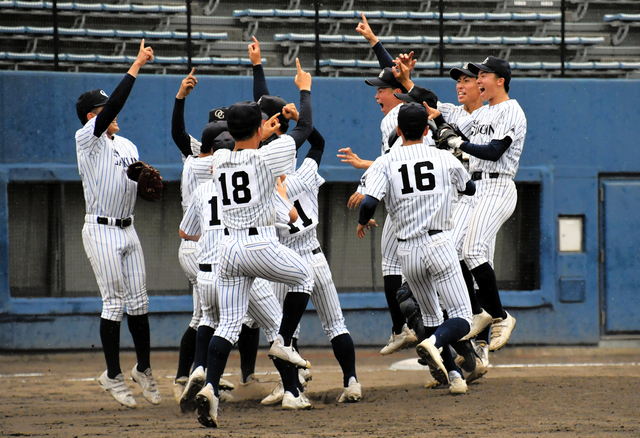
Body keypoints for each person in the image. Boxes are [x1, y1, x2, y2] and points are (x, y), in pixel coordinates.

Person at [193, 59, 316, 428]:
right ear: (258, 126)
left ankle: (211, 388)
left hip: (227, 252)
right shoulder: (266, 157)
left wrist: (263, 130)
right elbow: (306, 128)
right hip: (258, 245)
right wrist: (304, 90)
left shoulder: (219, 158)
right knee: (304, 277)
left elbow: (238, 145)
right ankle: (281, 341)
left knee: (228, 325)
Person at [249, 37, 360, 405]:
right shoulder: (305, 171)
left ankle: (290, 388)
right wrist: (300, 114)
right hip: (314, 256)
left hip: (283, 261)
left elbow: (261, 122)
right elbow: (315, 141)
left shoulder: (262, 176)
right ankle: (352, 381)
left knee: (284, 333)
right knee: (336, 324)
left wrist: (258, 69)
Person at [357, 102, 476, 394]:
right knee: (462, 317)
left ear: (398, 130)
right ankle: (434, 344)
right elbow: (470, 189)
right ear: (426, 130)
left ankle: (454, 375)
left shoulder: (385, 161)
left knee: (432, 318)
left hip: (408, 252)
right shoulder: (443, 157)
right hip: (439, 243)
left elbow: (369, 203)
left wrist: (362, 221)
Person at [75, 40, 162, 409]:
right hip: (100, 230)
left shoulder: (127, 145)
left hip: (128, 228)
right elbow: (116, 103)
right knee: (114, 304)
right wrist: (137, 64)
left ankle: (143, 369)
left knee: (139, 303)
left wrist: (143, 179)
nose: (110, 111)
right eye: (102, 108)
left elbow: (136, 183)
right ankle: (112, 375)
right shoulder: (86, 140)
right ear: (92, 117)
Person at [428, 56, 527, 352]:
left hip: (498, 184)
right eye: (479, 75)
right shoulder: (481, 115)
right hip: (476, 187)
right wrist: (442, 124)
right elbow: (454, 128)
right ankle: (478, 312)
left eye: (484, 75)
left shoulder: (511, 110)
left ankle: (501, 316)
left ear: (500, 80)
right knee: (453, 251)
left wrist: (457, 143)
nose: (479, 79)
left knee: (472, 250)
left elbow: (495, 151)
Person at [336, 15, 419, 356]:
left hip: (409, 204)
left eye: (381, 89)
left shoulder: (402, 116)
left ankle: (403, 328)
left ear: (396, 92)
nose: (377, 94)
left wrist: (367, 183)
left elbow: (400, 83)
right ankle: (420, 330)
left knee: (393, 268)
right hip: (415, 197)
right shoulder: (404, 118)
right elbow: (394, 161)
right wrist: (373, 41)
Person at [170, 69, 239, 406]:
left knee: (205, 315)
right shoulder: (202, 159)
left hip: (200, 242)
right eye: (220, 131)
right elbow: (178, 134)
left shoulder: (200, 159)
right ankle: (195, 373)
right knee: (213, 316)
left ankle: (197, 373)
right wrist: (180, 98)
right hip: (202, 243)